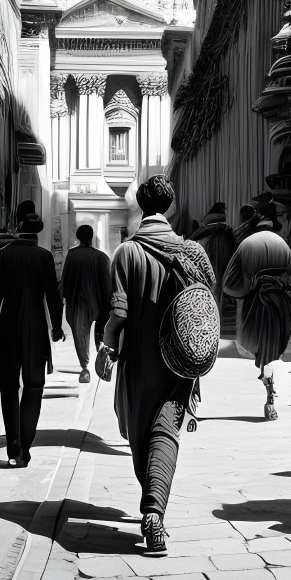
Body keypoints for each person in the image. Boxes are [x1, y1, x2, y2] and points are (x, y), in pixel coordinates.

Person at [100, 176, 214, 554]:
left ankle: (151, 506)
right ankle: (154, 512)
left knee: (140, 435)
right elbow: (205, 301)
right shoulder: (192, 251)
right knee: (166, 431)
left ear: (140, 204)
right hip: (179, 363)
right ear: (170, 205)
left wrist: (107, 348)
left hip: (137, 362)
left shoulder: (127, 253)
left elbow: (118, 314)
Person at [0, 211, 65, 466]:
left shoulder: (0, 257)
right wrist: (56, 326)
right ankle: (26, 444)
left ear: (17, 226)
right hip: (35, 330)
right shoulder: (44, 258)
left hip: (7, 329)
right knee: (34, 388)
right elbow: (52, 297)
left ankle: (13, 446)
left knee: (9, 388)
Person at [222, 208, 291, 419]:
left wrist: (249, 287)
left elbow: (228, 284)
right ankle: (271, 392)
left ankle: (269, 391)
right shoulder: (282, 244)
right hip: (281, 306)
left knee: (263, 353)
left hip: (256, 307)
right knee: (273, 354)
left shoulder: (246, 245)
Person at [62, 224, 111, 384]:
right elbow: (107, 284)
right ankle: (102, 364)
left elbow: (66, 280)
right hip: (98, 303)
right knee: (100, 335)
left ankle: (85, 368)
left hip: (78, 303)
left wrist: (66, 299)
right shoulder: (102, 257)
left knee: (80, 335)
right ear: (91, 237)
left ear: (78, 237)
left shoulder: (72, 255)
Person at [191, 202, 238, 336]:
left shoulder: (204, 233)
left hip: (211, 257)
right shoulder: (227, 233)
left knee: (213, 288)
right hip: (225, 257)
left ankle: (212, 322)